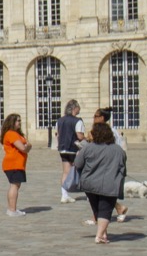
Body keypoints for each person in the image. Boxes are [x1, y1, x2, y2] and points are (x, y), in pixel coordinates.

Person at [74, 114, 128, 243]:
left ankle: (103, 234)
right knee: (105, 209)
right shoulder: (118, 150)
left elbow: (77, 164)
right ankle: (99, 235)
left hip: (90, 183)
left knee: (97, 209)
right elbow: (123, 168)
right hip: (110, 184)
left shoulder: (88, 148)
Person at [0, 113, 31, 216]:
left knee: (15, 185)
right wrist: (27, 147)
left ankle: (11, 208)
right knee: (14, 185)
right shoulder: (11, 133)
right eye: (18, 120)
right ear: (12, 122)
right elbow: (23, 147)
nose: (20, 122)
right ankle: (12, 210)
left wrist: (27, 146)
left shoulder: (17, 134)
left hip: (17, 164)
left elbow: (27, 146)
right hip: (13, 164)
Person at [55, 99, 85, 203]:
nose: (79, 109)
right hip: (73, 148)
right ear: (74, 108)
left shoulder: (60, 120)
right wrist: (87, 139)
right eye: (78, 107)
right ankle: (89, 193)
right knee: (82, 170)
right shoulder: (78, 121)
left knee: (65, 172)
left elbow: (58, 135)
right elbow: (80, 136)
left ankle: (64, 195)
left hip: (63, 148)